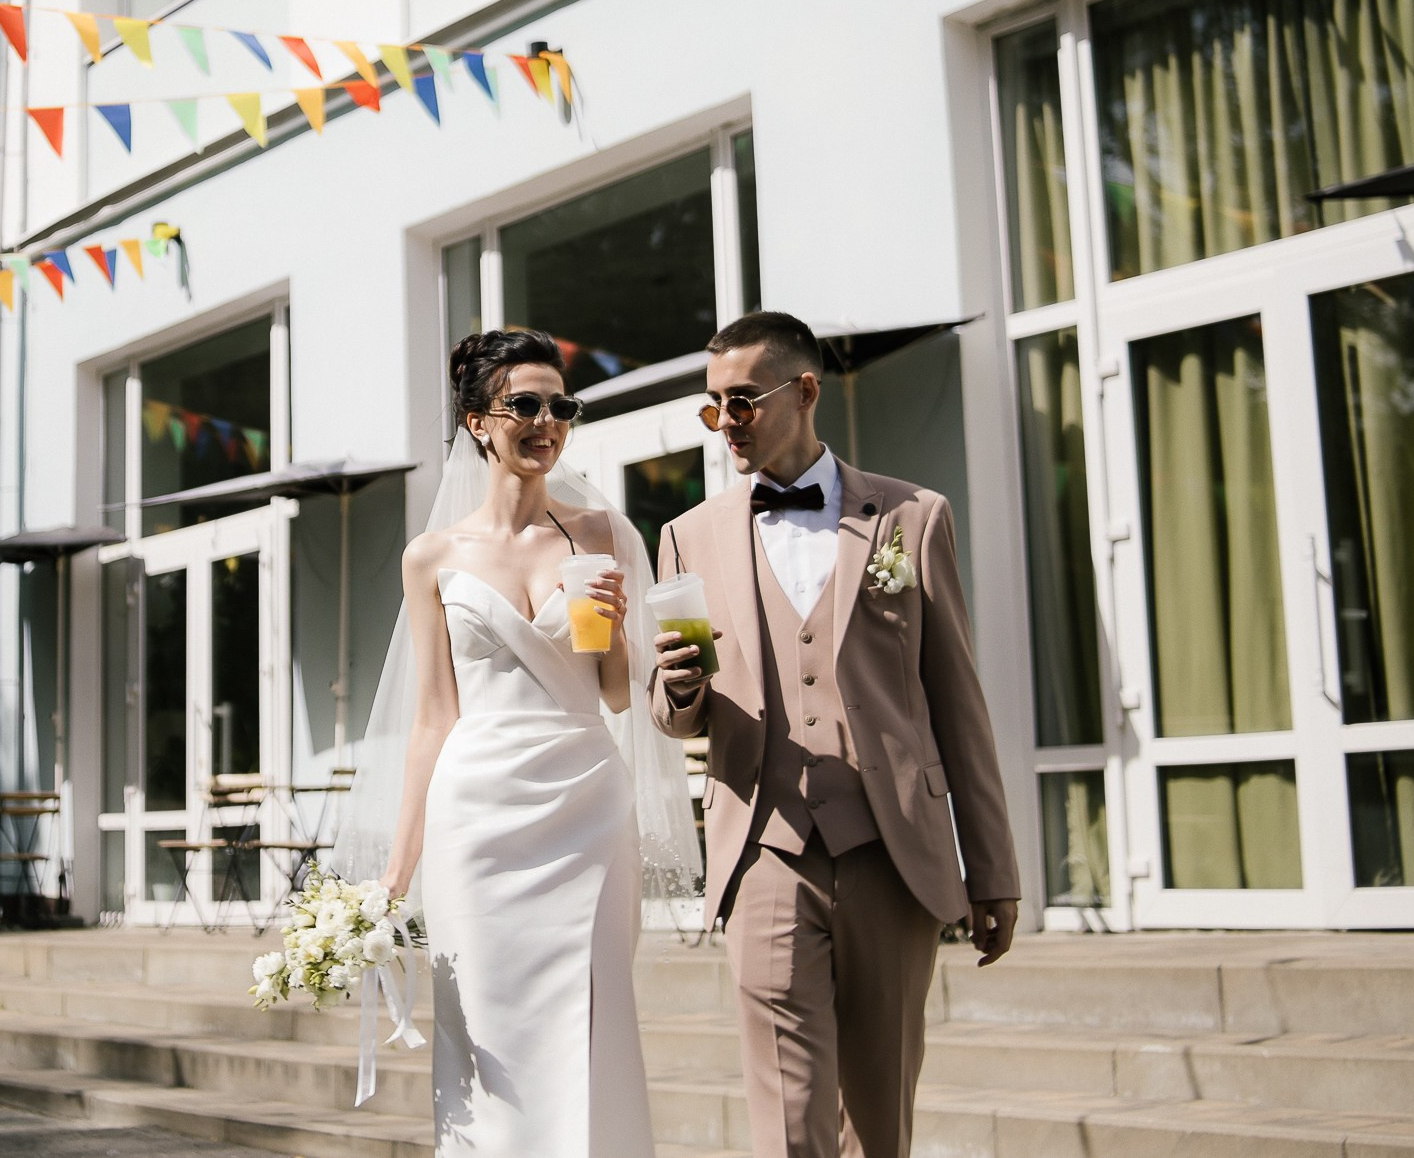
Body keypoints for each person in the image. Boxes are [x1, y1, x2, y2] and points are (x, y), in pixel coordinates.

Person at [650, 310, 1019, 1158]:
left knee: (880, 1120)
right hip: (764, 850)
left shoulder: (913, 517)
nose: (725, 422)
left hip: (892, 851)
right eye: (712, 405)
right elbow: (675, 714)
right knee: (789, 1123)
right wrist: (679, 687)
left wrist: (992, 869)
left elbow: (958, 703)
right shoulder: (687, 536)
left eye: (742, 400)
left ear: (805, 390)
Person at [336, 328, 700, 1158]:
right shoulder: (430, 556)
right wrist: (396, 873)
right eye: (525, 405)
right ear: (477, 421)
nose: (547, 423)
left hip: (587, 805)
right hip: (477, 817)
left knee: (595, 1019)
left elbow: (617, 693)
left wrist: (615, 629)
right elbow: (433, 716)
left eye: (561, 406)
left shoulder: (599, 531)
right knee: (486, 1032)